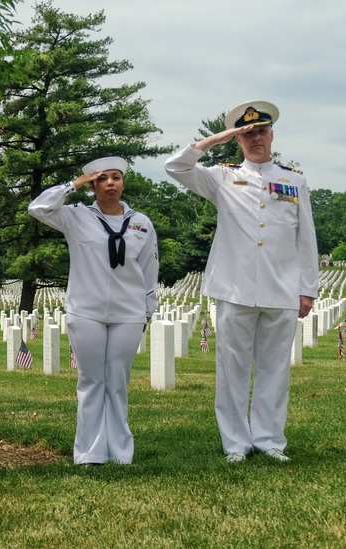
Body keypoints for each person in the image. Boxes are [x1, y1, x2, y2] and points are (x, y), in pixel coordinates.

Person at [164, 100, 318, 463]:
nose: (256, 139)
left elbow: (305, 237)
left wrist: (307, 288)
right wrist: (215, 140)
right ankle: (236, 443)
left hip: (280, 288)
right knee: (231, 368)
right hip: (233, 288)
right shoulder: (222, 177)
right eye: (247, 134)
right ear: (238, 140)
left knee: (275, 367)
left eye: (261, 131)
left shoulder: (293, 179)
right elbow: (175, 166)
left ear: (272, 135)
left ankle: (269, 440)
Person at [28, 157, 158, 465]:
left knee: (117, 381)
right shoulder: (76, 217)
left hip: (128, 311)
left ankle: (121, 451)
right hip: (86, 310)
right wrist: (74, 183)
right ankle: (89, 452)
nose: (110, 183)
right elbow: (38, 208)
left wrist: (147, 311)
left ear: (123, 183)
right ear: (93, 185)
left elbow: (149, 269)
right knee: (91, 381)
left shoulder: (141, 223)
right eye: (102, 179)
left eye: (116, 177)